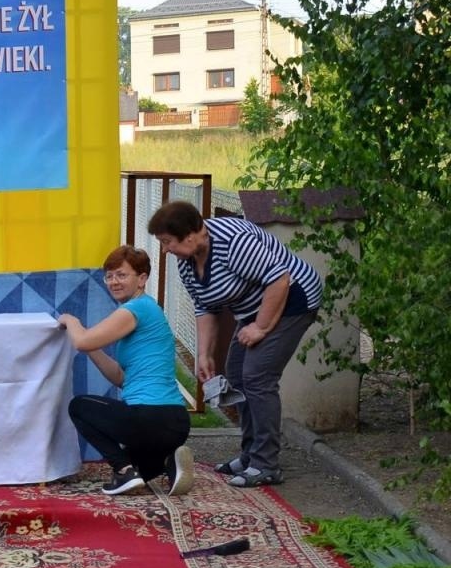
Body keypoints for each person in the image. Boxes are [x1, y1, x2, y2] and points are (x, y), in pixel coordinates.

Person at [147, 200, 323, 488]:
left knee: (258, 377)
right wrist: (204, 354)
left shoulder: (233, 242)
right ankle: (250, 454)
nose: (165, 250)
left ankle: (266, 464)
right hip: (254, 307)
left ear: (190, 235)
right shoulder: (187, 263)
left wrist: (261, 327)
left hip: (293, 300)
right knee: (237, 374)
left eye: (167, 242)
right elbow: (205, 307)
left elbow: (280, 280)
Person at [58, 245, 194, 497]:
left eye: (121, 275)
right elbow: (121, 378)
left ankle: (124, 470)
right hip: (174, 422)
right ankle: (168, 461)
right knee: (141, 472)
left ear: (141, 279)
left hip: (149, 418)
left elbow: (82, 341)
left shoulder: (136, 309)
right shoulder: (148, 309)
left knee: (79, 406)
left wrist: (71, 321)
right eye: (109, 276)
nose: (113, 281)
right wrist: (91, 346)